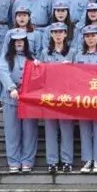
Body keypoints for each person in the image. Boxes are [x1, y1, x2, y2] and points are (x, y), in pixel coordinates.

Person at [72, 25, 97, 173]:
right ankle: (88, 159)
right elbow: (75, 75)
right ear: (83, 38)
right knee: (85, 129)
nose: (90, 39)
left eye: (93, 36)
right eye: (87, 36)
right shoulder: (79, 55)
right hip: (83, 96)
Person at [0, 30, 38, 174]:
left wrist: (38, 66)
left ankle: (27, 161)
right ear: (12, 43)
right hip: (11, 98)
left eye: (21, 40)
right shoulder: (6, 57)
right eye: (16, 40)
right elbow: (2, 72)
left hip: (28, 100)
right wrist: (11, 87)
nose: (19, 43)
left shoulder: (31, 57)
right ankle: (14, 161)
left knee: (29, 131)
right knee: (12, 132)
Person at [39, 22, 76, 173]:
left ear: (66, 34)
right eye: (55, 32)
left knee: (66, 129)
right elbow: (40, 74)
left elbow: (79, 74)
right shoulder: (45, 53)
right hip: (49, 94)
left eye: (61, 32)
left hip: (66, 94)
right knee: (50, 129)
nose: (58, 35)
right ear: (51, 34)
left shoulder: (72, 52)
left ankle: (67, 161)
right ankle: (52, 161)